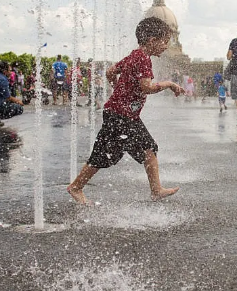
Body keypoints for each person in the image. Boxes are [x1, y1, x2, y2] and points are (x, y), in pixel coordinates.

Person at [66, 17, 185, 205]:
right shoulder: (144, 59)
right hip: (122, 116)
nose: (166, 46)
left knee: (106, 154)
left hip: (119, 113)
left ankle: (76, 187)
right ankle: (156, 190)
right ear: (152, 41)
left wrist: (118, 91)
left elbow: (110, 72)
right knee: (147, 148)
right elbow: (147, 87)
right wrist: (169, 84)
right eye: (164, 41)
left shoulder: (133, 55)